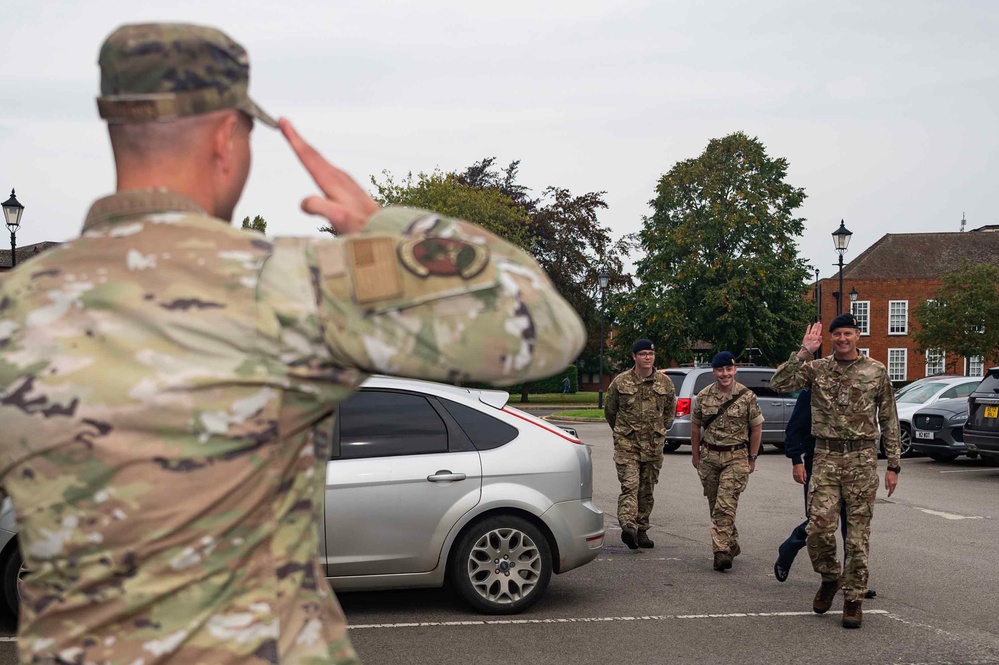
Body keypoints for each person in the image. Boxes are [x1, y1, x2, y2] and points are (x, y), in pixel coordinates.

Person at [0, 23, 585, 665]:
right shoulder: (296, 281)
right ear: (228, 137)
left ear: (113, 123)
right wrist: (382, 228)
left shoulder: (16, 306)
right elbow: (541, 327)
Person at [771, 314, 901, 629]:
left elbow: (889, 417)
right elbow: (779, 383)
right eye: (837, 334)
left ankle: (853, 601)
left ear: (858, 336)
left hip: (862, 460)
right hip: (826, 457)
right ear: (831, 338)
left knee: (857, 537)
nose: (842, 339)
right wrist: (803, 352)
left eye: (848, 333)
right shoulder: (816, 370)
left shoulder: (876, 371)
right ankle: (830, 578)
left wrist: (893, 464)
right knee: (817, 529)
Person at [690, 351, 764, 571]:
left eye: (729, 369)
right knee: (716, 505)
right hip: (710, 457)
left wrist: (752, 457)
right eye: (720, 370)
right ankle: (731, 542)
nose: (725, 374)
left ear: (735, 370)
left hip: (736, 457)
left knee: (725, 504)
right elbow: (695, 427)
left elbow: (756, 428)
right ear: (714, 371)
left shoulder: (747, 396)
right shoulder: (703, 396)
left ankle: (721, 552)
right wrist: (696, 455)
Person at [604, 339, 676, 549]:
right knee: (630, 486)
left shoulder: (665, 383)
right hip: (628, 445)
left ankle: (642, 529)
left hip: (653, 446)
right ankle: (629, 527)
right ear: (634, 356)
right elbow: (610, 412)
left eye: (650, 354)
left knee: (646, 489)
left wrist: (657, 431)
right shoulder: (620, 382)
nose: (647, 357)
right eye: (643, 353)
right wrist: (623, 434)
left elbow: (669, 413)